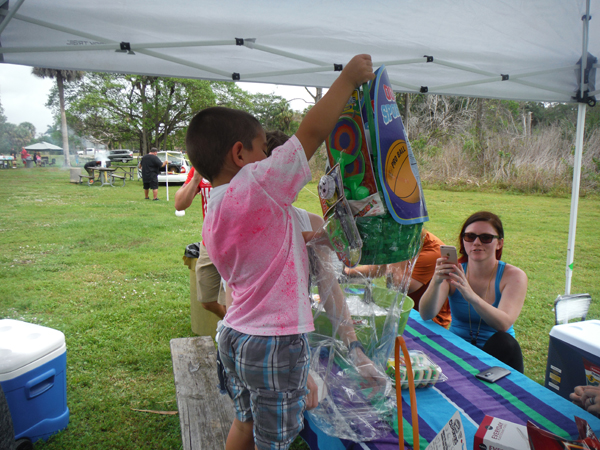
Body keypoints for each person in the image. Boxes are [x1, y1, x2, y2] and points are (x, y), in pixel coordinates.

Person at [186, 54, 374, 450]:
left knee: (245, 422)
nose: (267, 161)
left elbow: (309, 231)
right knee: (276, 441)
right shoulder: (254, 187)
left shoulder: (216, 208)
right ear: (240, 155)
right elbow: (311, 132)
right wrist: (348, 79)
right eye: (260, 151)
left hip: (235, 334)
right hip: (274, 341)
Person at [419, 211, 527, 373]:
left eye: (486, 238)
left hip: (497, 352)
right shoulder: (454, 272)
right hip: (458, 347)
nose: (477, 242)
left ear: (499, 243)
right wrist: (436, 280)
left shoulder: (514, 276)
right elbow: (426, 314)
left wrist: (471, 296)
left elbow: (504, 323)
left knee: (504, 342)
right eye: (470, 236)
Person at [344, 230, 452, 328]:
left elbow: (399, 287)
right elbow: (379, 269)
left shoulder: (431, 252)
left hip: (427, 321)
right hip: (401, 309)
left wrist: (397, 251)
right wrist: (346, 272)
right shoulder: (403, 239)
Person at [174, 167, 226, 319]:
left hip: (237, 244)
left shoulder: (238, 159)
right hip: (209, 243)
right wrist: (196, 178)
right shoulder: (200, 164)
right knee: (207, 300)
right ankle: (231, 327)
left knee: (230, 301)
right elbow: (180, 204)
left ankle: (234, 334)